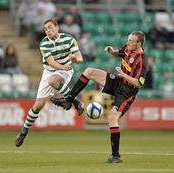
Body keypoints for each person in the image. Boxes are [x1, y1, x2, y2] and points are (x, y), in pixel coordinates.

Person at [52, 31, 147, 163]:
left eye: (131, 41)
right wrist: (112, 51)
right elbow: (119, 53)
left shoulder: (142, 60)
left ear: (139, 43)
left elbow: (139, 83)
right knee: (89, 71)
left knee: (112, 118)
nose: (128, 42)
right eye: (128, 39)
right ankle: (68, 101)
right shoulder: (128, 47)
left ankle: (116, 156)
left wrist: (124, 75)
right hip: (119, 82)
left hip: (127, 92)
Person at [15, 19, 84, 147]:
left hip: (65, 71)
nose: (48, 31)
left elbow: (80, 58)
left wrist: (75, 59)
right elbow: (51, 63)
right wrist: (63, 67)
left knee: (53, 81)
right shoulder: (44, 44)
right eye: (46, 29)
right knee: (37, 106)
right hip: (50, 70)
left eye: (50, 27)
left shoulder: (69, 39)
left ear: (57, 27)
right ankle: (24, 131)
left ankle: (75, 102)